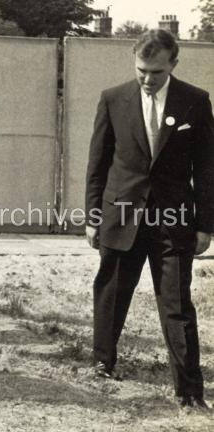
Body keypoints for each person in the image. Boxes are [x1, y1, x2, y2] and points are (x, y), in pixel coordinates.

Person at [85, 29, 214, 411]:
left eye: (156, 72)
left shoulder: (195, 101)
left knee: (176, 302)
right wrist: (93, 215)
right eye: (141, 70)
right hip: (121, 214)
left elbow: (206, 169)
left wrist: (207, 224)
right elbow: (98, 163)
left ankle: (189, 390)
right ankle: (101, 363)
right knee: (111, 292)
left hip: (174, 220)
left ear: (174, 64)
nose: (147, 79)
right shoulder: (113, 99)